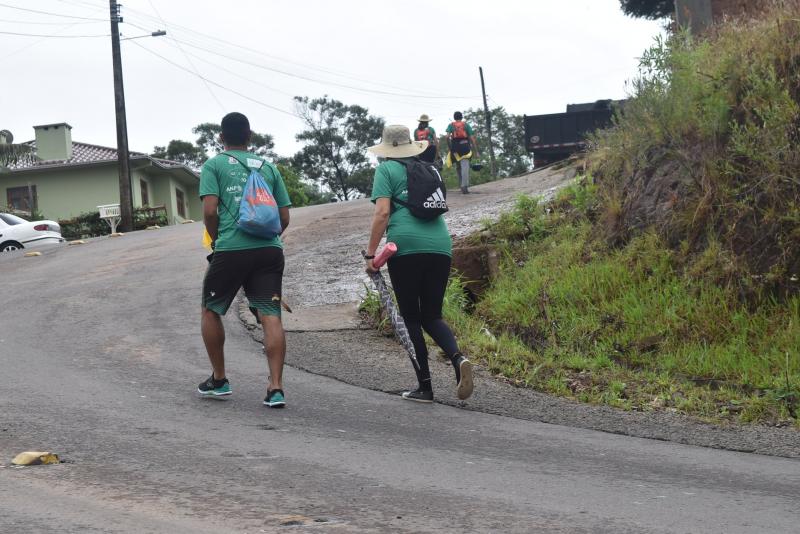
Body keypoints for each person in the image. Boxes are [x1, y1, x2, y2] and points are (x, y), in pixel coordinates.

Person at [365, 124, 474, 403]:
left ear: (387, 149)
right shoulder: (431, 169)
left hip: (405, 247)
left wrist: (370, 255)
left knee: (411, 317)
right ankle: (457, 358)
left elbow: (382, 213)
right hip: (440, 245)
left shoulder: (386, 170)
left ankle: (425, 387)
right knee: (432, 316)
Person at [197, 112, 292, 408]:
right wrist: (267, 237)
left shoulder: (213, 165)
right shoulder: (268, 167)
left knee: (211, 309)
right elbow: (284, 216)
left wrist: (217, 239)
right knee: (270, 312)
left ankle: (220, 379)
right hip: (269, 249)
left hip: (231, 249)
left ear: (221, 137)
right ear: (250, 136)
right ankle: (275, 387)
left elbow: (210, 211)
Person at [446, 111, 479, 194]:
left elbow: (447, 137)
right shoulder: (466, 125)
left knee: (458, 166)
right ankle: (464, 186)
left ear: (454, 118)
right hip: (465, 147)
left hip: (455, 148)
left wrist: (450, 148)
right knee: (465, 167)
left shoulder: (451, 125)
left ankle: (461, 185)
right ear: (461, 117)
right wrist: (476, 151)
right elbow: (472, 139)